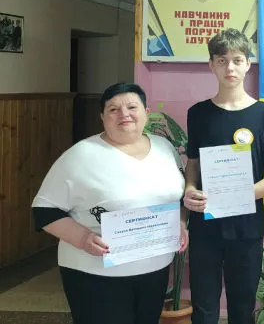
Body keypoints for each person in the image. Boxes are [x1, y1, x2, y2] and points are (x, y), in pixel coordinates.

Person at [31, 82, 187, 324]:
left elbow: (176, 196)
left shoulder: (164, 148)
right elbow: (44, 210)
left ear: (146, 112)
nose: (124, 114)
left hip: (154, 269)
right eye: (113, 109)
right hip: (96, 273)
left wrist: (180, 223)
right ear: (102, 117)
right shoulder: (81, 155)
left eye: (132, 107)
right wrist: (83, 238)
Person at [182, 29, 264, 324]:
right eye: (222, 60)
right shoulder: (197, 113)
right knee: (204, 310)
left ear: (248, 64)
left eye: (237, 60)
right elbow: (193, 163)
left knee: (242, 309)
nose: (229, 67)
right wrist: (190, 188)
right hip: (205, 226)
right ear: (211, 65)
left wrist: (241, 195)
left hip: (246, 229)